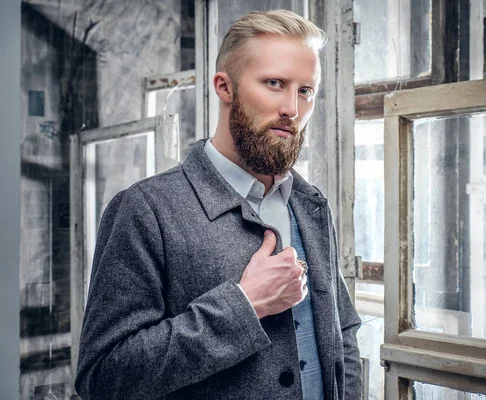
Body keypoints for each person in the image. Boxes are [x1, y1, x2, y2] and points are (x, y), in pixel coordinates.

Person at [75, 9, 361, 400]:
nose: (292, 109)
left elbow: (341, 336)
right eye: (274, 83)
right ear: (224, 87)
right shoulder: (145, 211)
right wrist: (243, 306)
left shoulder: (311, 205)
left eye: (305, 91)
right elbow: (103, 378)